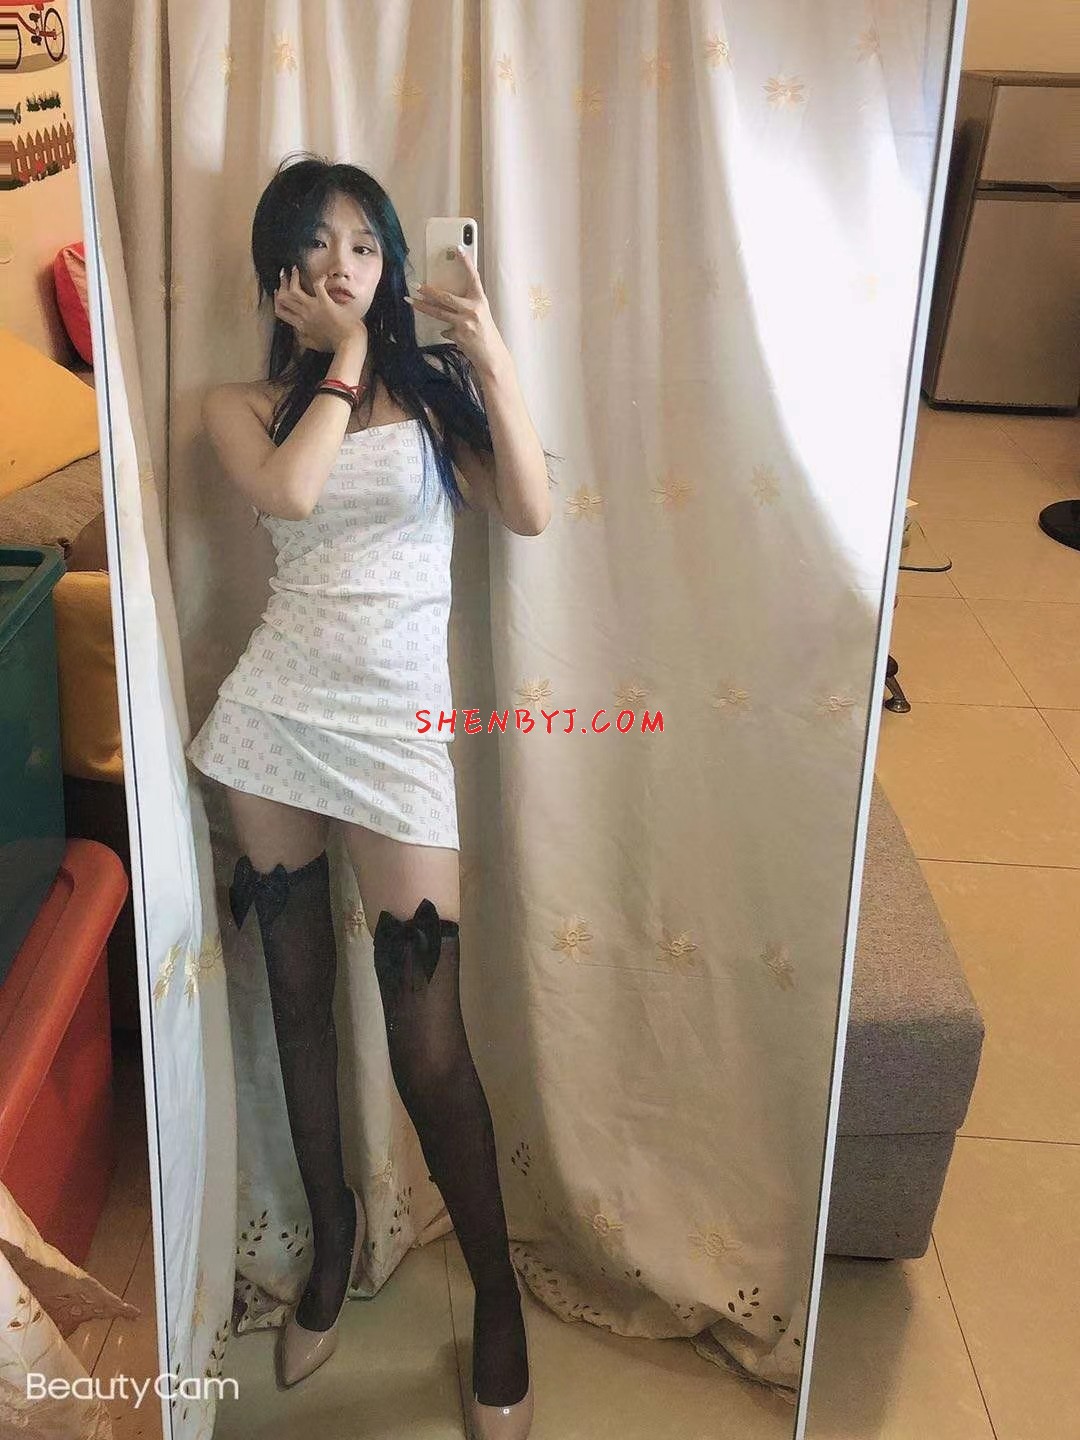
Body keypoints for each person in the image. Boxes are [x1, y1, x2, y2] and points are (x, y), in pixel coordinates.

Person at [186, 153, 552, 1439]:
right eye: (313, 246)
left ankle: (497, 1301)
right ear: (275, 273)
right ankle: (330, 1241)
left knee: (427, 1044)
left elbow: (531, 510)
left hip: (396, 735)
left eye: (361, 245)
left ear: (391, 259)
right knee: (295, 1007)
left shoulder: (435, 398)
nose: (338, 266)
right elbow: (291, 491)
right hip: (273, 722)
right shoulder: (234, 404)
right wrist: (343, 360)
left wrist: (488, 350)